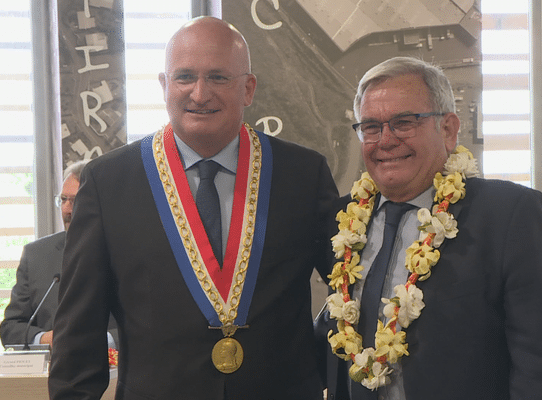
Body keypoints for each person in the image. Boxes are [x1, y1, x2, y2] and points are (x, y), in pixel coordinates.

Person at [48, 16, 338, 400]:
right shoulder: (108, 182)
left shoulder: (302, 173)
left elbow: (351, 291)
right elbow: (78, 332)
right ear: (164, 85)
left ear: (248, 88)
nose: (200, 94)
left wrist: (311, 362)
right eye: (184, 77)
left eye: (218, 77)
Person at [319, 56, 542, 399]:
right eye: (371, 126)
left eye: (404, 122)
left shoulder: (510, 215)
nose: (385, 140)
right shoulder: (345, 223)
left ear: (449, 129)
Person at [0, 160, 118, 349]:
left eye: (75, 201)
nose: (66, 209)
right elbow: (11, 328)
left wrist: (96, 341)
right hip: (49, 372)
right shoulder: (36, 255)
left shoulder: (126, 253)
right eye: (63, 199)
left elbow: (147, 322)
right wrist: (44, 338)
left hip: (112, 371)